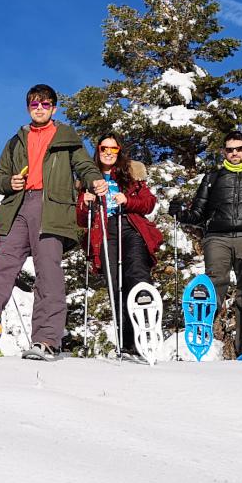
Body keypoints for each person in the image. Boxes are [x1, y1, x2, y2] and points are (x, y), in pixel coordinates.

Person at [0, 84, 107, 361]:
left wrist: (94, 179)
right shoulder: (16, 140)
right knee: (5, 258)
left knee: (48, 272)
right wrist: (8, 181)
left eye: (45, 105)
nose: (39, 109)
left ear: (54, 108)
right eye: (34, 105)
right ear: (28, 108)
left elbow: (84, 166)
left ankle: (47, 339)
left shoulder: (66, 137)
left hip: (52, 208)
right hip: (18, 206)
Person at [171, 130, 242, 358]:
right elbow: (198, 212)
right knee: (213, 285)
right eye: (229, 149)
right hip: (217, 236)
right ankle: (203, 342)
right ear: (223, 152)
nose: (234, 153)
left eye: (238, 149)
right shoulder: (213, 178)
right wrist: (181, 214)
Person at [77, 133, 162, 357]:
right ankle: (127, 344)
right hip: (104, 232)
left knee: (137, 276)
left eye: (113, 149)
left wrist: (128, 200)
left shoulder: (129, 175)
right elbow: (79, 218)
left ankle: (146, 331)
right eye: (104, 148)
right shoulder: (88, 177)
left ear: (119, 152)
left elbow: (149, 203)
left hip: (130, 227)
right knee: (116, 287)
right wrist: (85, 204)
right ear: (97, 150)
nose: (108, 152)